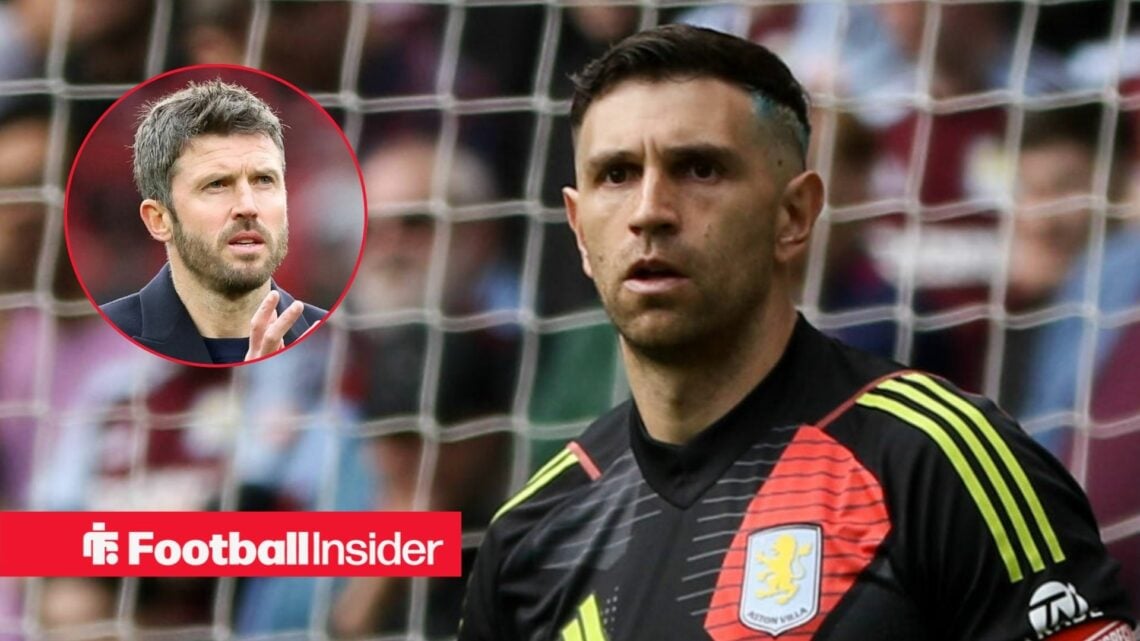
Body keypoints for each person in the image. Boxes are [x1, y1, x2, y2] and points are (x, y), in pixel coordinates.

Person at [459, 25, 1134, 641]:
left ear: (795, 215)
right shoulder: (533, 533)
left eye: (700, 169)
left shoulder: (940, 461)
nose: (650, 211)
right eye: (616, 174)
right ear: (578, 228)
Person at [99, 80, 324, 365]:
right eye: (217, 184)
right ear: (159, 220)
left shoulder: (329, 341)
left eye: (264, 180)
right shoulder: (109, 342)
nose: (248, 207)